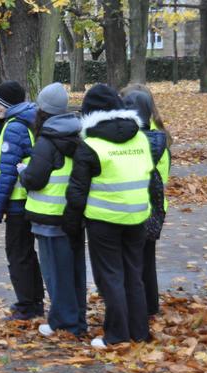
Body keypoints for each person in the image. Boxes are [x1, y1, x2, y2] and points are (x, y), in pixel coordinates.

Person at [63, 84, 154, 348]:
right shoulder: (140, 138)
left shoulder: (91, 144)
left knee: (110, 277)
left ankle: (116, 334)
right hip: (137, 216)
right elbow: (148, 174)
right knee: (133, 274)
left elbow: (77, 191)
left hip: (104, 220)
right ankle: (139, 331)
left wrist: (71, 224)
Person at [18, 82, 87, 337]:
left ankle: (64, 323)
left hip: (49, 219)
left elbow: (35, 178)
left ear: (43, 110)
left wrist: (23, 173)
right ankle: (77, 320)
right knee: (74, 272)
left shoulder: (47, 140)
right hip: (72, 216)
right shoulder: (77, 134)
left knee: (56, 275)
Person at [0, 80, 44, 320]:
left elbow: (8, 171)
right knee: (27, 254)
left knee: (18, 255)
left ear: (7, 104)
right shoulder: (22, 120)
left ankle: (27, 306)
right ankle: (34, 302)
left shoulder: (15, 127)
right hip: (27, 200)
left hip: (17, 201)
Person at [121, 88, 170, 317]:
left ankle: (144, 307)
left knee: (137, 261)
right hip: (155, 207)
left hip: (144, 205)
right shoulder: (160, 136)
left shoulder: (146, 141)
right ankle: (149, 305)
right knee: (145, 260)